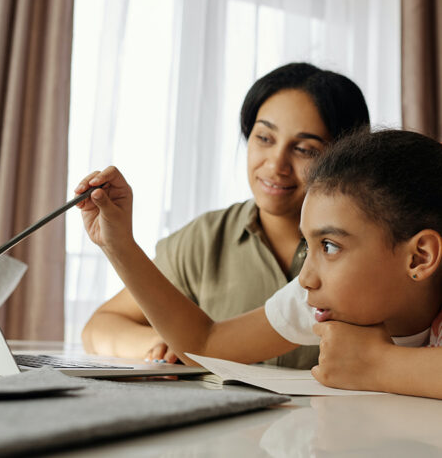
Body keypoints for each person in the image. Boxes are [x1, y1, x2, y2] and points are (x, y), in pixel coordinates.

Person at [77, 128, 442, 399]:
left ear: (420, 257)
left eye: (329, 246)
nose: (306, 278)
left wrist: (376, 364)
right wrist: (119, 244)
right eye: (308, 244)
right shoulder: (319, 296)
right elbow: (206, 344)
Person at [81, 62, 370, 369]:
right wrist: (161, 344)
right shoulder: (205, 239)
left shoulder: (365, 251)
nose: (276, 165)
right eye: (264, 138)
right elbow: (100, 328)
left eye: (304, 149)